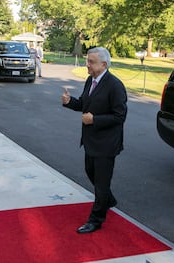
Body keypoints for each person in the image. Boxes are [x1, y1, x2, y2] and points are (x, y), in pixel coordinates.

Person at [61, 47, 127, 234]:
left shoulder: (115, 86)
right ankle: (108, 200)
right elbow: (83, 104)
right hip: (91, 140)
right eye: (87, 61)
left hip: (106, 143)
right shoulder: (91, 80)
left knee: (101, 182)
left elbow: (119, 116)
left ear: (104, 64)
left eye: (91, 62)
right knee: (90, 172)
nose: (87, 65)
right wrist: (69, 102)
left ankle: (96, 220)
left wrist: (95, 119)